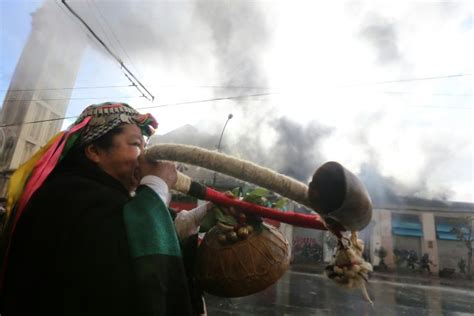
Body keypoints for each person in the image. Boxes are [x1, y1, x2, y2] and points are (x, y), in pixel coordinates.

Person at [0, 102, 210, 316]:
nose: (144, 158)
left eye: (145, 148)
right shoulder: (69, 196)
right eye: (136, 145)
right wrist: (157, 185)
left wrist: (189, 222)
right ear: (94, 151)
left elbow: (132, 233)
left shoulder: (106, 199)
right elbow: (123, 268)